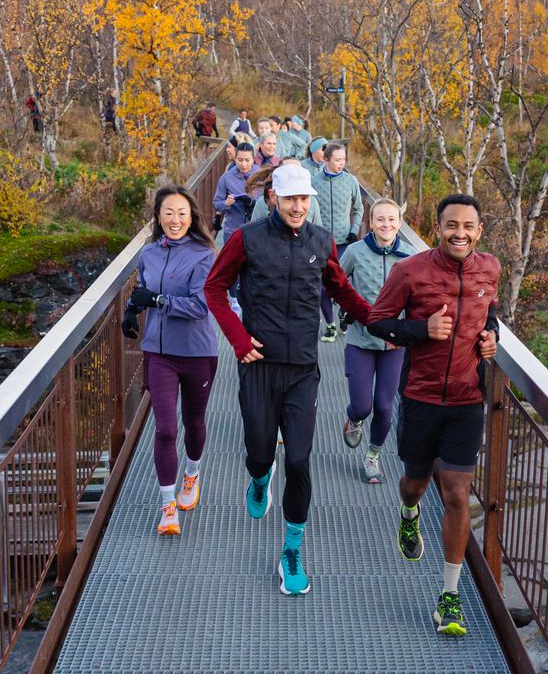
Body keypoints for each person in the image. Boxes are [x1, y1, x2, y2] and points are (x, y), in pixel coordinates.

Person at [202, 162, 375, 597]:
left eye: (305, 199)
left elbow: (340, 290)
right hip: (258, 364)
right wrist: (239, 341)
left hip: (303, 368)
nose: (299, 206)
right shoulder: (247, 239)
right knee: (260, 454)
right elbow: (214, 289)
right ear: (274, 198)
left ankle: (292, 551)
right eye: (292, 198)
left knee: (299, 461)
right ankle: (259, 478)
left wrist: (380, 320)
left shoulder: (321, 240)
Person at [366, 194, 501, 637]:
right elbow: (377, 321)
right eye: (450, 225)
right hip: (421, 397)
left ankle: (449, 597)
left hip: (467, 398)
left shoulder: (490, 269)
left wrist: (491, 337)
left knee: (457, 492)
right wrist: (420, 330)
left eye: (468, 226)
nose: (459, 233)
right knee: (415, 483)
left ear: (479, 231)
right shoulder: (410, 271)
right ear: (437, 227)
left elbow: (490, 312)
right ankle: (408, 514)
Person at [124, 187, 219, 537]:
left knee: (194, 421)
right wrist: (131, 311)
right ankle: (167, 507)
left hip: (197, 352)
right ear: (158, 216)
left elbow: (200, 307)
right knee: (165, 428)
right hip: (158, 353)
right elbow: (142, 289)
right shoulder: (148, 253)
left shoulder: (204, 254)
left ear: (192, 216)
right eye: (168, 213)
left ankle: (191, 474)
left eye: (181, 213)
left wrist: (159, 300)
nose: (174, 220)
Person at [338, 199, 413, 485]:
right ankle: (354, 419)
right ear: (370, 222)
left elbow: (418, 298)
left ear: (399, 222)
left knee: (384, 406)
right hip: (360, 339)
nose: (386, 225)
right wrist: (347, 310)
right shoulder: (355, 252)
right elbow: (336, 284)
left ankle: (373, 455)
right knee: (362, 406)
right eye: (380, 219)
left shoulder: (409, 257)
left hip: (394, 345)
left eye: (392, 220)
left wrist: (409, 330)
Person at [309, 141, 365, 341]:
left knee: (342, 285)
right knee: (322, 287)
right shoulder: (313, 182)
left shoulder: (351, 181)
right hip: (321, 243)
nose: (342, 163)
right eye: (338, 159)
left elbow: (359, 209)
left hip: (343, 243)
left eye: (344, 159)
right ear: (326, 159)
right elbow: (309, 209)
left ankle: (342, 314)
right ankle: (330, 325)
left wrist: (354, 230)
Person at [212, 139, 258, 245]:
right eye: (240, 160)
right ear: (235, 158)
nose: (243, 164)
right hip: (232, 229)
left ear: (253, 159)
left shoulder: (260, 175)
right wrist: (226, 203)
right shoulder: (226, 177)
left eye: (247, 160)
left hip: (256, 228)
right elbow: (216, 203)